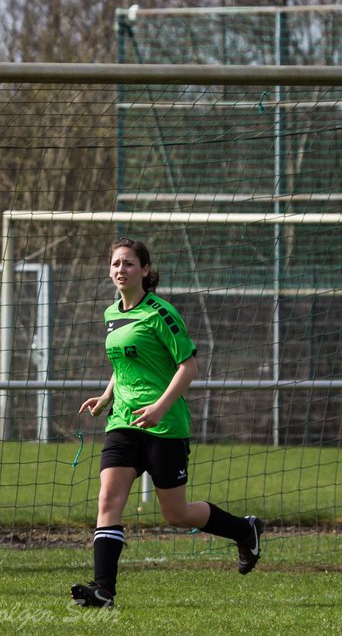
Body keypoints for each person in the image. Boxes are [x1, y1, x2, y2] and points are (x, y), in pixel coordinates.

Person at [71, 238, 263, 608]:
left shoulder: (161, 313)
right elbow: (124, 364)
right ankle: (103, 590)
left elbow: (188, 366)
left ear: (145, 270)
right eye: (115, 264)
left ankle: (244, 529)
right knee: (108, 499)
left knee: (176, 514)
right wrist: (107, 397)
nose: (120, 270)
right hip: (123, 422)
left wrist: (159, 407)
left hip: (164, 425)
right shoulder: (112, 314)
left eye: (128, 263)